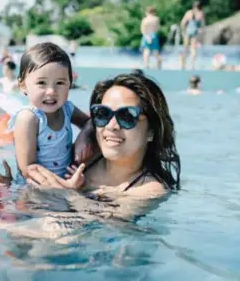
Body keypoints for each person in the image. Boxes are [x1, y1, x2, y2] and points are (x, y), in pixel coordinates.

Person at [25, 73, 181, 210]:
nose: (111, 126)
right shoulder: (85, 158)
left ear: (151, 132)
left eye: (126, 116)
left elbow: (96, 226)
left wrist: (63, 194)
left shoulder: (148, 190)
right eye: (103, 114)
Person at [9, 42, 91, 179]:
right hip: (34, 191)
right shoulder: (29, 118)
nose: (51, 91)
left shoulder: (67, 109)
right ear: (23, 86)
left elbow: (90, 123)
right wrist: (63, 187)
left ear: (70, 84)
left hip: (64, 182)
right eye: (41, 83)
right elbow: (28, 170)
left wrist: (83, 138)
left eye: (60, 83)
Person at [179, 1, 205, 70]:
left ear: (193, 6)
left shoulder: (188, 12)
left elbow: (182, 23)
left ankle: (183, 65)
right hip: (195, 32)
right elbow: (202, 25)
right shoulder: (201, 13)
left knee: (185, 48)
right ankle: (192, 65)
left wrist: (183, 32)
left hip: (188, 31)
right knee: (193, 49)